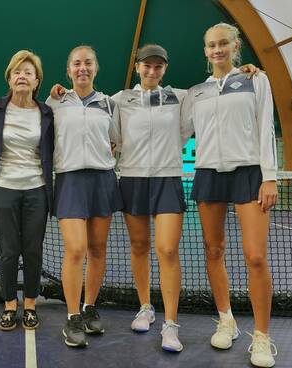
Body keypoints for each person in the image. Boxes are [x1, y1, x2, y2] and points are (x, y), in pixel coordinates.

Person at [181, 22, 278, 367]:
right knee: (213, 249)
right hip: (208, 173)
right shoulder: (195, 92)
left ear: (235, 46)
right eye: (211, 45)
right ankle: (226, 320)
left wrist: (270, 177)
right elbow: (174, 128)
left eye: (223, 43)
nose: (217, 50)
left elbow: (266, 126)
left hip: (249, 173)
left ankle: (263, 337)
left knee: (255, 256)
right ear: (205, 51)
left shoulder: (256, 80)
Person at [111, 44, 188, 352]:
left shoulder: (181, 97)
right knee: (140, 246)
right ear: (137, 67)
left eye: (158, 66)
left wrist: (248, 74)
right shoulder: (119, 100)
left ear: (165, 69)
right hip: (131, 179)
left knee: (167, 249)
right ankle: (145, 307)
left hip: (168, 178)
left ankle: (171, 325)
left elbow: (210, 96)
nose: (152, 71)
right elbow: (113, 137)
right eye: (147, 65)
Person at [46, 45, 122, 348]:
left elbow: (115, 140)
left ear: (96, 67)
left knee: (98, 249)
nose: (82, 68)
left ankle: (90, 306)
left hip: (102, 180)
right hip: (69, 180)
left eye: (88, 63)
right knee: (76, 249)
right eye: (76, 64)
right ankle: (72, 315)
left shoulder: (109, 104)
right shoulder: (55, 101)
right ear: (68, 70)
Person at [0, 50, 54, 331]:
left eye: (28, 72)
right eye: (17, 72)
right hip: (3, 189)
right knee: (8, 251)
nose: (22, 76)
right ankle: (10, 303)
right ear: (9, 78)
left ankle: (30, 305)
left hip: (37, 189)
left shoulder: (47, 112)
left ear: (37, 81)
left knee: (33, 251)